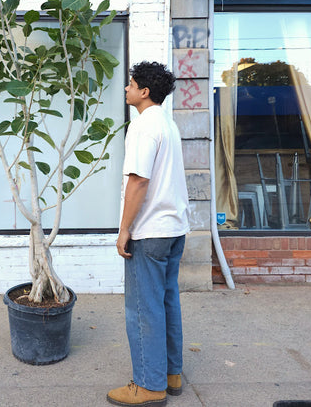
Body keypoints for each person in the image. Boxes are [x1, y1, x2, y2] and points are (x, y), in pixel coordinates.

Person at [107, 61, 190, 407]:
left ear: (144, 92)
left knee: (143, 308)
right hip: (174, 229)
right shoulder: (168, 124)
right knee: (167, 301)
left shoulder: (142, 127)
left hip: (150, 232)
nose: (126, 89)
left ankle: (149, 385)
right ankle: (171, 374)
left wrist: (125, 229)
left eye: (131, 84)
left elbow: (138, 181)